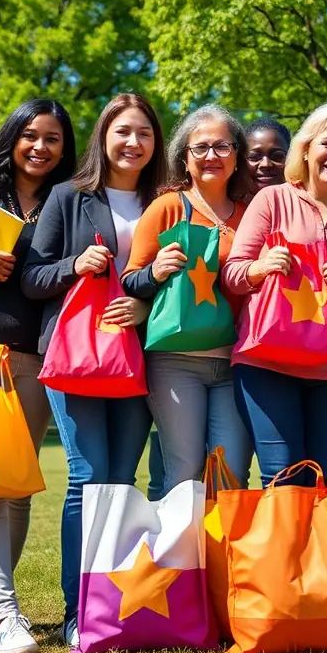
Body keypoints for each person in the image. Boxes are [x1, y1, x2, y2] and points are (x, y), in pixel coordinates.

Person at [22, 93, 165, 649]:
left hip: (138, 356)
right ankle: (76, 608)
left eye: (145, 134)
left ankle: (113, 603)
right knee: (87, 477)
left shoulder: (167, 200)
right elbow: (32, 279)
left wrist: (147, 303)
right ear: (104, 136)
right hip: (79, 357)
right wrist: (74, 266)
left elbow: (178, 277)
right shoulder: (69, 197)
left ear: (156, 143)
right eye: (123, 131)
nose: (133, 143)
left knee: (121, 482)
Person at [224, 103, 327, 487]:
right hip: (267, 365)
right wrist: (260, 268)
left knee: (325, 482)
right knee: (283, 479)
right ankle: (282, 552)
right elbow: (232, 275)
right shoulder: (271, 200)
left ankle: (318, 552)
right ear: (306, 149)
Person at [0, 100, 75, 653]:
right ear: (13, 136)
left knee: (16, 486)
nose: (40, 147)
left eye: (53, 138)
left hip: (39, 357)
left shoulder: (68, 201)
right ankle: (8, 616)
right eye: (31, 135)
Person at [123, 105, 255, 491]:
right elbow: (130, 280)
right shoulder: (167, 207)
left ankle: (221, 553)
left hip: (236, 363)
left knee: (231, 474)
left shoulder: (251, 215)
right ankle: (179, 554)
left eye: (222, 146)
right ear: (184, 158)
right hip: (174, 362)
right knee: (184, 471)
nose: (211, 155)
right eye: (200, 148)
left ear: (237, 155)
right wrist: (156, 271)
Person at [245, 117, 291, 191]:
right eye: (255, 157)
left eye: (277, 156)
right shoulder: (225, 201)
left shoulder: (300, 201)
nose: (265, 164)